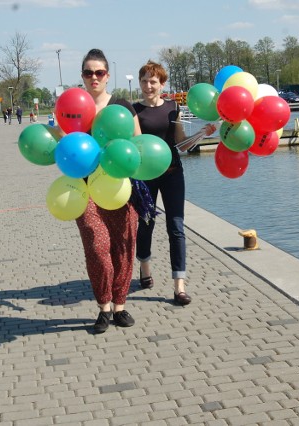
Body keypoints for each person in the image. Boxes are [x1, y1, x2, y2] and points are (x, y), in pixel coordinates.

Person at [133, 61, 216, 306]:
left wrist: (201, 133)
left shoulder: (172, 108)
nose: (148, 86)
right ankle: (145, 267)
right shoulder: (134, 111)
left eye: (153, 81)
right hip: (145, 175)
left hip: (172, 173)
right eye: (144, 81)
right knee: (146, 223)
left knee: (176, 226)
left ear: (162, 84)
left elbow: (181, 144)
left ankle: (179, 285)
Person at [75, 48, 142, 333]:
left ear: (107, 76)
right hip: (86, 188)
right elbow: (67, 145)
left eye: (99, 72)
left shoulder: (123, 107)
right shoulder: (75, 106)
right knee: (97, 244)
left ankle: (120, 306)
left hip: (120, 188)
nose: (94, 77)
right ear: (82, 76)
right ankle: (104, 305)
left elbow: (137, 142)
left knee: (123, 248)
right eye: (88, 72)